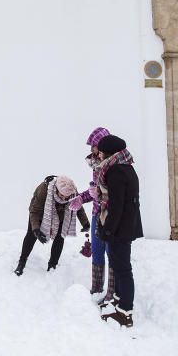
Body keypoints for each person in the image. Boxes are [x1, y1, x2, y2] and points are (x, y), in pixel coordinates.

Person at [94, 134, 142, 328]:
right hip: (126, 225)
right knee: (119, 264)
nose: (99, 155)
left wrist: (108, 230)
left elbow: (116, 205)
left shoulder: (116, 171)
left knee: (123, 269)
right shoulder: (127, 167)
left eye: (102, 152)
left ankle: (125, 312)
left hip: (120, 228)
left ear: (109, 152)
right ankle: (118, 300)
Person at [69, 127, 112, 300]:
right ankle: (96, 288)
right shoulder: (96, 164)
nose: (91, 150)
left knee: (111, 252)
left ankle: (111, 292)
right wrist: (81, 197)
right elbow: (94, 189)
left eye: (93, 146)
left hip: (109, 214)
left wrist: (100, 194)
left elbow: (114, 190)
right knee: (97, 249)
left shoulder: (111, 165)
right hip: (96, 213)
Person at [14, 176, 89, 275]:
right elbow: (35, 211)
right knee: (31, 235)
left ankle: (52, 265)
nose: (64, 198)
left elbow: (77, 206)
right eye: (62, 195)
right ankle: (22, 262)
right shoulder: (44, 190)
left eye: (67, 197)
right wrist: (36, 230)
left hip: (61, 215)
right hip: (40, 213)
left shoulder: (72, 192)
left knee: (60, 237)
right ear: (57, 189)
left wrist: (85, 222)